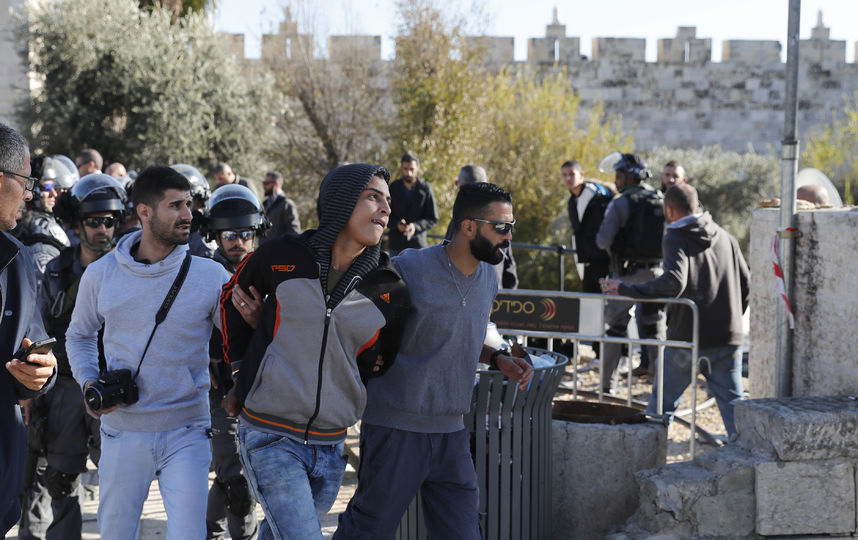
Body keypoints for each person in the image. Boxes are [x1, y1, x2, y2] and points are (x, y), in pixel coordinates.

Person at [220, 163, 412, 540]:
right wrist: (242, 373)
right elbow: (232, 299)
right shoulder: (280, 256)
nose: (386, 209)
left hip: (331, 447)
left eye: (387, 201)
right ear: (340, 202)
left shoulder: (390, 287)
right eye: (373, 197)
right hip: (269, 434)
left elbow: (379, 359)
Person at [335, 182, 533, 539]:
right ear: (468, 226)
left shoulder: (490, 276)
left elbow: (461, 334)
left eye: (511, 227)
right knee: (366, 532)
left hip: (452, 434)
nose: (508, 237)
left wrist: (498, 357)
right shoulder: (409, 268)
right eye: (501, 227)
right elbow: (351, 327)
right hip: (396, 430)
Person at [66, 165, 230, 540]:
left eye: (188, 204)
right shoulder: (101, 274)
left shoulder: (211, 276)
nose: (188, 215)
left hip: (188, 429)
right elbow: (78, 336)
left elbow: (241, 342)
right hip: (122, 432)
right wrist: (89, 380)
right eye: (175, 206)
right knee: (116, 533)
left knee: (189, 534)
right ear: (144, 212)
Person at [18, 174, 127, 540]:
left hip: (113, 390)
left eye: (109, 221)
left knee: (119, 482)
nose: (102, 229)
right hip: (64, 388)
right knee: (60, 481)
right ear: (78, 224)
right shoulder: (57, 270)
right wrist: (32, 392)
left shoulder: (131, 269)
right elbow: (40, 328)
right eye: (94, 221)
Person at [601, 184, 749, 437]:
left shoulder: (676, 237)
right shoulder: (726, 237)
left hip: (686, 338)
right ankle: (749, 467)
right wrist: (730, 318)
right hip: (728, 336)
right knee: (735, 411)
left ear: (669, 210)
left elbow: (673, 283)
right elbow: (746, 284)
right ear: (697, 204)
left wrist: (626, 289)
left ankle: (646, 463)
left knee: (660, 408)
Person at [198, 184, 268, 540]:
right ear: (215, 235)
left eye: (245, 233)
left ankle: (208, 529)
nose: (238, 241)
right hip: (220, 393)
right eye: (229, 234)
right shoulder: (202, 275)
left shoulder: (273, 274)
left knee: (237, 480)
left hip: (264, 392)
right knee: (238, 483)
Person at [0, 122, 58, 536]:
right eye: (26, 181)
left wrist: (42, 372)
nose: (32, 193)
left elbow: (34, 348)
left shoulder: (15, 259)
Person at [595, 152, 666, 392]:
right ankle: (661, 388)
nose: (616, 180)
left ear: (629, 178)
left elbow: (603, 241)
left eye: (618, 175)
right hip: (656, 272)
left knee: (615, 328)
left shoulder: (620, 202)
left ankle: (607, 387)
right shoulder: (660, 199)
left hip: (624, 275)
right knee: (655, 328)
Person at [446, 164, 518, 289]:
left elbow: (448, 261)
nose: (508, 236)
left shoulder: (459, 223)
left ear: (461, 185)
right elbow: (510, 269)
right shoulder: (499, 220)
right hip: (494, 296)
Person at [15, 156, 74, 278]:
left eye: (54, 187)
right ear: (33, 190)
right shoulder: (36, 232)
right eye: (47, 188)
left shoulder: (44, 223)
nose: (53, 193)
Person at [562, 159, 613, 295]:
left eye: (571, 174)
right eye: (564, 175)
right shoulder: (572, 200)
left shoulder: (597, 196)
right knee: (589, 300)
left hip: (603, 259)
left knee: (605, 302)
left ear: (581, 175)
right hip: (587, 259)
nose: (568, 178)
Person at [387, 152, 438, 255]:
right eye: (405, 169)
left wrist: (415, 226)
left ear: (417, 168)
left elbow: (433, 218)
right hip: (396, 245)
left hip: (417, 245)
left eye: (411, 169)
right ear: (401, 168)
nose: (408, 173)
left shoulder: (426, 189)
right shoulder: (393, 187)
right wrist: (397, 224)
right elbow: (384, 213)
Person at [259, 170, 301, 240]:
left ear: (276, 184)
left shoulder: (287, 204)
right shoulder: (264, 205)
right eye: (263, 183)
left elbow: (294, 232)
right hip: (266, 250)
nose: (264, 186)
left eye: (266, 183)